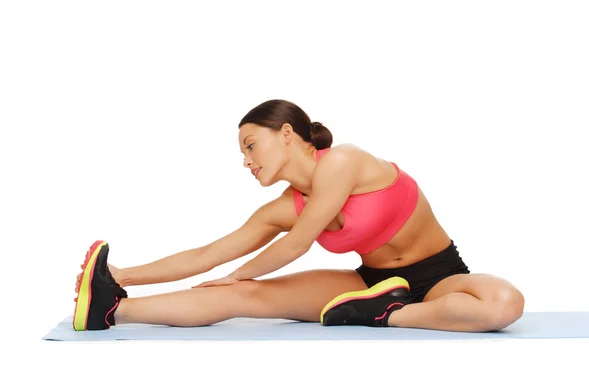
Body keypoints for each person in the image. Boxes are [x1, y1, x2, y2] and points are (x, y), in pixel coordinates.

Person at [73, 99, 525, 332]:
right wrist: (121, 273)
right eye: (242, 153)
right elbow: (208, 253)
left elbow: (298, 243)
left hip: (438, 275)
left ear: (286, 133)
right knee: (242, 296)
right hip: (369, 283)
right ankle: (113, 310)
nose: (247, 161)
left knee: (504, 304)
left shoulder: (344, 161)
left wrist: (239, 272)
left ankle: (387, 316)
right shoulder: (283, 208)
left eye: (251, 146)